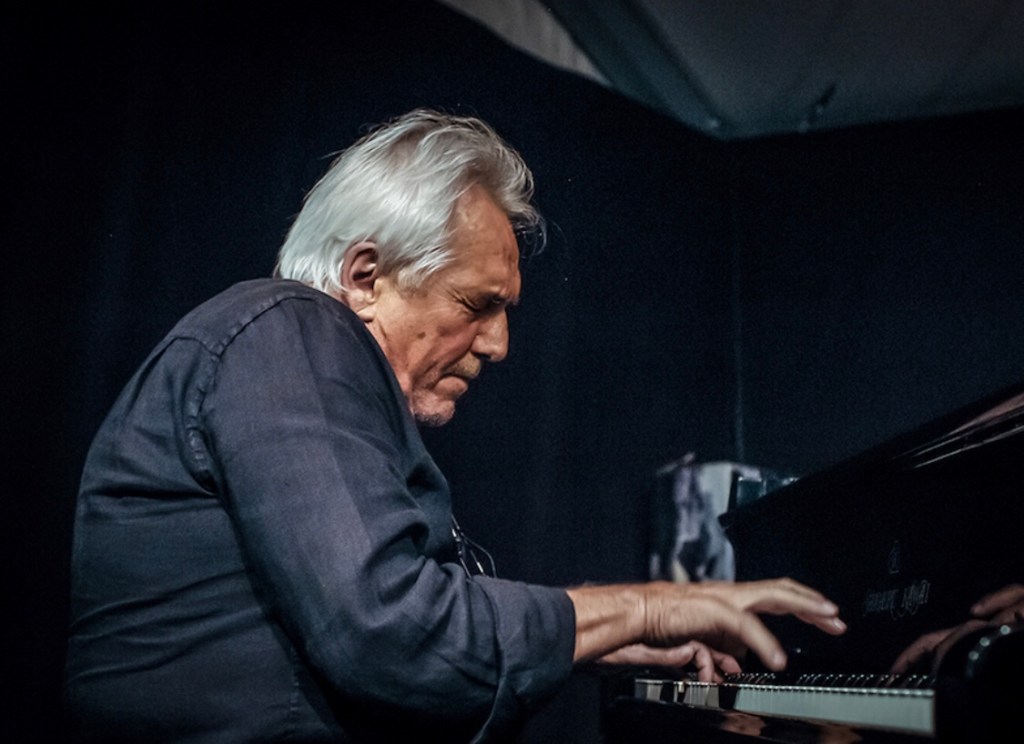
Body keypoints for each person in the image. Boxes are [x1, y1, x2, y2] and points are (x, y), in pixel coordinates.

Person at [65, 109, 846, 742]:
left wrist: (606, 638)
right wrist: (648, 607)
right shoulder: (290, 328)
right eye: (477, 305)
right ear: (365, 277)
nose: (499, 345)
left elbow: (418, 616)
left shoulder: (298, 361)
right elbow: (388, 631)